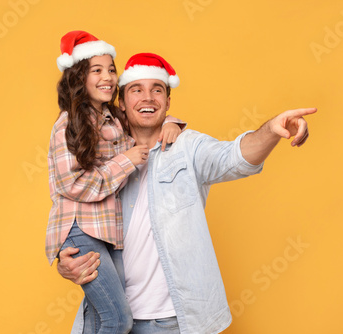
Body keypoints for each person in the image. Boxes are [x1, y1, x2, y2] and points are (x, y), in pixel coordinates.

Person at [57, 52, 317, 334]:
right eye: (136, 90)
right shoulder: (103, 152)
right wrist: (68, 261)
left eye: (157, 90)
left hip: (173, 322)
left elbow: (234, 157)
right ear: (121, 101)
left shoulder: (187, 147)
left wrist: (271, 130)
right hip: (112, 318)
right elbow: (75, 204)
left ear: (167, 102)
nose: (147, 98)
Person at [46, 32, 185, 334]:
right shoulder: (68, 124)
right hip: (81, 230)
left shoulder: (111, 118)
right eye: (96, 70)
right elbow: (75, 186)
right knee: (118, 319)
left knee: (100, 318)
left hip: (106, 233)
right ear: (79, 77)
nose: (108, 77)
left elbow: (147, 114)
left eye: (111, 69)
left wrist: (173, 122)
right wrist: (128, 160)